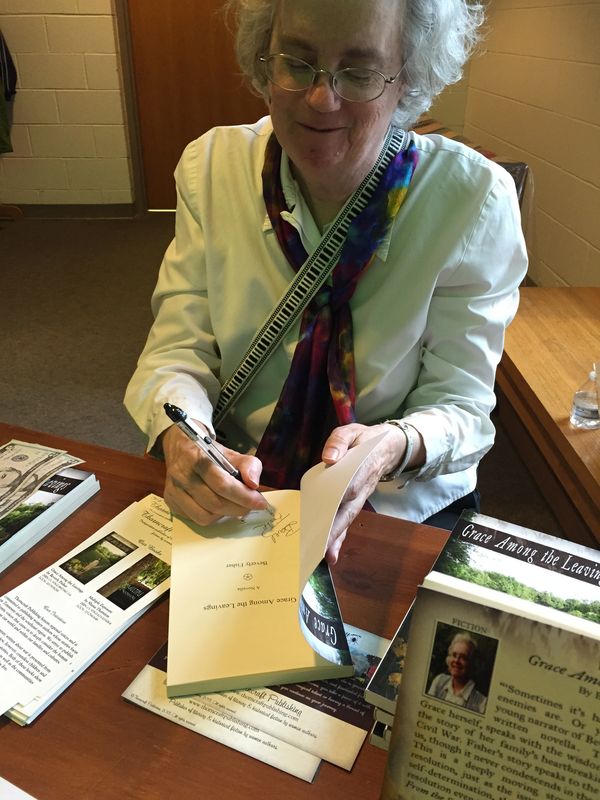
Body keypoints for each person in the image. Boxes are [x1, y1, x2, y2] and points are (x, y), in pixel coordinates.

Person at [124, 0, 528, 565]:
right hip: (241, 486)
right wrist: (185, 435)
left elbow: (461, 405)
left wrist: (392, 446)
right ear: (266, 62)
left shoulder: (471, 199)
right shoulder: (211, 166)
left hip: (396, 500)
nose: (321, 98)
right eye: (298, 60)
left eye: (360, 71)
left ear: (406, 77)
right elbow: (176, 351)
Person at [427, 632, 487, 713]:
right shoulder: (439, 681)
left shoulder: (482, 703)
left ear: (472, 663)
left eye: (463, 657)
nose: (456, 661)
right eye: (454, 655)